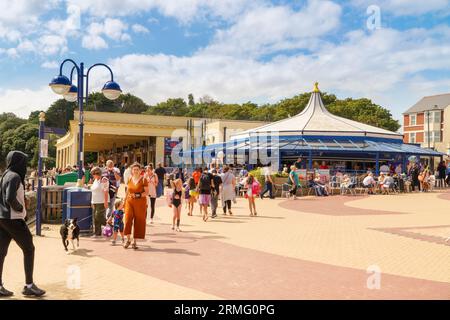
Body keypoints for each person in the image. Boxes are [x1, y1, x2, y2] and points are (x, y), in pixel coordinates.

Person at [0, 151, 46, 297]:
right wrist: (21, 208)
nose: (25, 166)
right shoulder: (14, 176)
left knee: (1, 252)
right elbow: (10, 198)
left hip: (2, 218)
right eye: (23, 163)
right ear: (18, 163)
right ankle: (29, 286)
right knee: (29, 248)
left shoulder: (5, 175)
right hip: (14, 219)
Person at [124, 162, 149, 250]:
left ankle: (135, 242)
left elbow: (146, 192)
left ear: (140, 171)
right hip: (129, 202)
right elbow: (127, 191)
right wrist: (124, 202)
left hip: (140, 203)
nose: (136, 171)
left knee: (138, 222)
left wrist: (137, 195)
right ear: (132, 170)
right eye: (134, 169)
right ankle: (128, 240)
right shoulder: (129, 178)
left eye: (137, 170)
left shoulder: (143, 180)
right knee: (127, 220)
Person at [90, 167, 109, 237]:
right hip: (95, 201)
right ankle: (97, 233)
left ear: (97, 173)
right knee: (95, 218)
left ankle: (108, 224)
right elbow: (93, 191)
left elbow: (106, 191)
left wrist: (106, 201)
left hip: (102, 201)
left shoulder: (104, 180)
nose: (92, 175)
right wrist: (92, 202)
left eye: (93, 174)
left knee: (98, 215)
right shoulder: (95, 180)